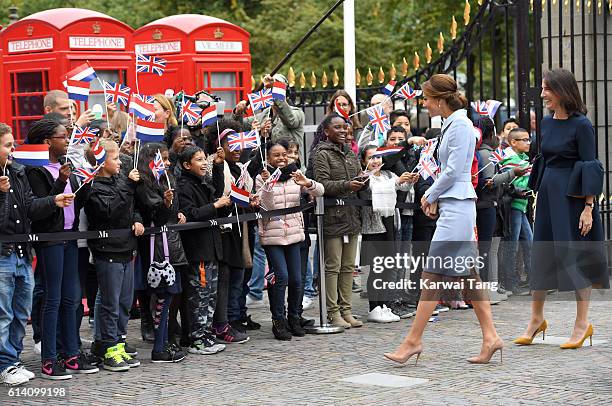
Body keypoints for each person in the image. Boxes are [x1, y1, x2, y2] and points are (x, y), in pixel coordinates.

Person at [384, 74, 503, 365]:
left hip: (458, 206)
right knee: (468, 276)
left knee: (433, 275)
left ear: (439, 100)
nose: (423, 104)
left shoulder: (461, 125)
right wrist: (435, 196)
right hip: (455, 205)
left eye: (426, 99)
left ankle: (413, 340)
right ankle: (491, 338)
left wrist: (430, 196)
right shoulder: (454, 124)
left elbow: (454, 170)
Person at [514, 68, 609, 348]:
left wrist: (588, 207)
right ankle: (536, 319)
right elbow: (544, 159)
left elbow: (590, 165)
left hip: (573, 197)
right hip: (547, 193)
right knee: (542, 254)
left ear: (562, 91)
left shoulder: (582, 125)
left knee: (573, 256)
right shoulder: (546, 122)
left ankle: (582, 324)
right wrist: (536, 195)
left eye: (547, 89)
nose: (542, 94)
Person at [0, 123, 74, 386]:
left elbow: (30, 208)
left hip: (22, 251)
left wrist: (55, 197)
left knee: (21, 312)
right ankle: (5, 363)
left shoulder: (18, 171)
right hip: (4, 253)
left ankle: (13, 359)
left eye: (12, 144)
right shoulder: (15, 174)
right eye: (8, 145)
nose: (13, 150)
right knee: (4, 313)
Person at [25, 119, 98, 379]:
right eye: (62, 137)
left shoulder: (66, 166)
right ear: (47, 141)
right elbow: (40, 208)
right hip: (50, 238)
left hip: (70, 235)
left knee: (72, 298)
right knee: (53, 299)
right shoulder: (35, 170)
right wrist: (61, 181)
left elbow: (79, 200)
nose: (67, 140)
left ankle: (72, 354)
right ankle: (49, 358)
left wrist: (87, 181)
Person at [83, 139, 144, 372]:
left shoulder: (120, 181)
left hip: (127, 249)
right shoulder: (94, 188)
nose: (120, 162)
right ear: (101, 162)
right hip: (107, 251)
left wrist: (137, 219)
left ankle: (117, 341)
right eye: (115, 158)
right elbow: (108, 212)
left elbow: (132, 207)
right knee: (110, 303)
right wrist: (128, 187)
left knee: (125, 302)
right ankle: (108, 347)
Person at [256, 139, 324, 340]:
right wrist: (268, 185)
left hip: (294, 233)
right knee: (282, 277)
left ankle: (294, 317)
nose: (281, 158)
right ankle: (278, 320)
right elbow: (265, 207)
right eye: (276, 155)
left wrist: (307, 183)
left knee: (296, 279)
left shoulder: (296, 174)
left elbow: (319, 191)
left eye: (284, 154)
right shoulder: (262, 177)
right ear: (268, 158)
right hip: (272, 235)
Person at [135, 143, 188, 363]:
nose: (167, 163)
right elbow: (155, 214)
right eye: (163, 159)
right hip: (154, 246)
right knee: (162, 293)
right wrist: (165, 204)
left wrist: (174, 209)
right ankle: (159, 346)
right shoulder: (142, 184)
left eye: (167, 159)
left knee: (169, 293)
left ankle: (164, 342)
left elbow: (170, 212)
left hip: (168, 243)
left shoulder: (165, 180)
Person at [312, 113, 364, 328]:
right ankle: (333, 312)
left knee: (348, 266)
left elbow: (357, 176)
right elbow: (322, 184)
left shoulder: (350, 153)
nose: (343, 131)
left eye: (345, 127)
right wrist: (346, 185)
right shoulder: (320, 154)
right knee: (332, 266)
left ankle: (346, 309)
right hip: (333, 217)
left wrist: (364, 181)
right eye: (338, 128)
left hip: (351, 215)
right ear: (326, 131)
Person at [177, 145, 230, 354]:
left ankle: (206, 334)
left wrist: (217, 167)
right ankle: (196, 339)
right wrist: (215, 206)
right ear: (187, 165)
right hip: (198, 250)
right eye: (199, 160)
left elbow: (215, 192)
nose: (203, 163)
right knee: (198, 296)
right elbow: (191, 213)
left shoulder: (201, 182)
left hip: (212, 248)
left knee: (210, 296)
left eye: (203, 159)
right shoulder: (184, 186)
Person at [357, 145, 414, 323]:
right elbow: (374, 191)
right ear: (363, 161)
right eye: (371, 158)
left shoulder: (389, 175)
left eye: (378, 157)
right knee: (376, 268)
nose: (375, 161)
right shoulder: (364, 177)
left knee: (387, 267)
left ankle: (383, 305)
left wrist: (409, 180)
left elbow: (403, 188)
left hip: (389, 225)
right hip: (373, 227)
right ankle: (373, 307)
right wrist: (398, 182)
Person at [234, 74, 306, 167]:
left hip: (292, 170)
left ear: (286, 93)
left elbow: (291, 120)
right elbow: (238, 127)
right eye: (270, 89)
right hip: (268, 172)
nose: (272, 91)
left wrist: (275, 92)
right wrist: (237, 113)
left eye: (276, 88)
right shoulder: (263, 115)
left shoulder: (297, 113)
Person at [496, 128, 533, 295]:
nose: (528, 142)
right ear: (513, 142)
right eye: (524, 140)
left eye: (528, 139)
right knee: (512, 245)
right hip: (513, 206)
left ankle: (534, 280)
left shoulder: (522, 158)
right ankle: (510, 283)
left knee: (529, 243)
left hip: (521, 205)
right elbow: (507, 183)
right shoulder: (510, 159)